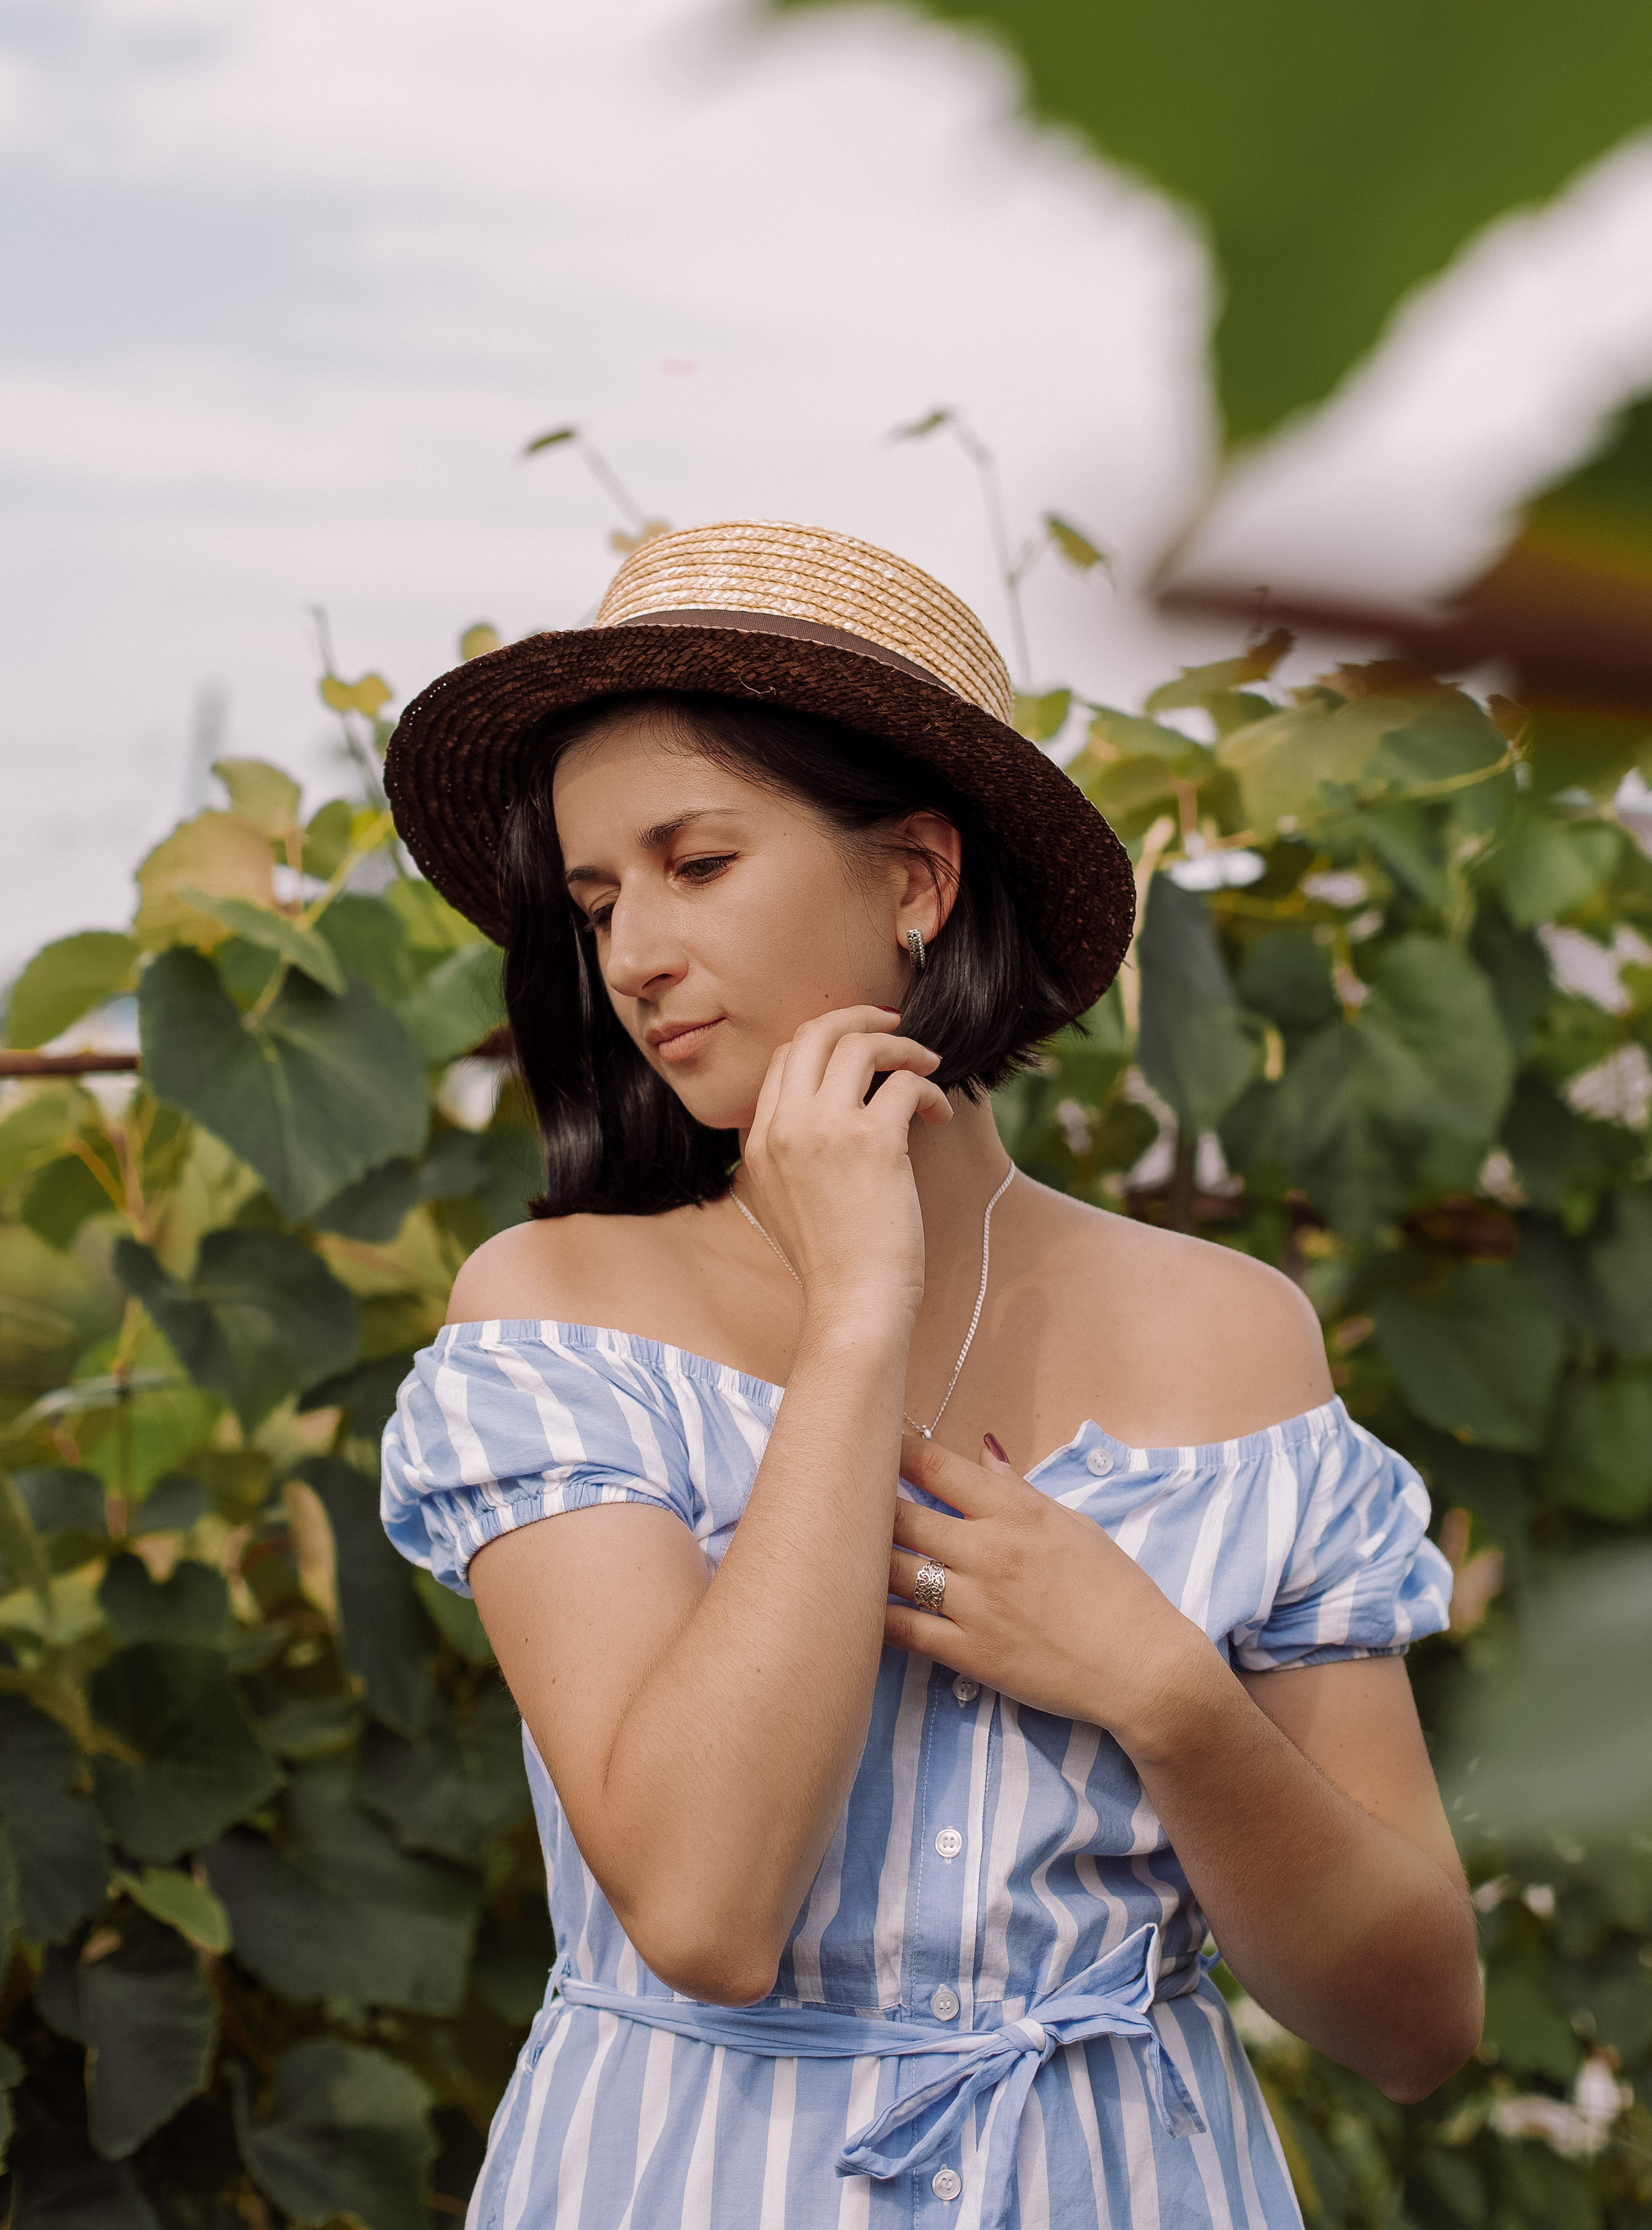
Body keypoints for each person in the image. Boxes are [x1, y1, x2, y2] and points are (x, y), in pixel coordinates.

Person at [380, 519, 1482, 2230]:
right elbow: (705, 1910)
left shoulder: (1235, 1333)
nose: (635, 953)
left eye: (696, 864)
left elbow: (1414, 2023)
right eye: (598, 903)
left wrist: (1166, 1692)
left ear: (915, 880)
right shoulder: (556, 1318)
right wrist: (855, 1317)